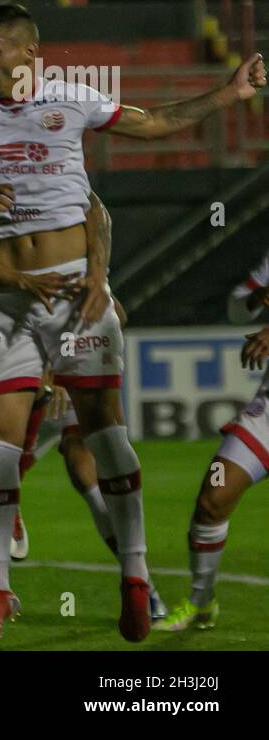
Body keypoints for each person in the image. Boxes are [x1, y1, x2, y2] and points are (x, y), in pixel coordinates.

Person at [0, 2, 265, 647]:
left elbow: (158, 120)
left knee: (104, 437)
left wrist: (230, 91)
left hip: (75, 295)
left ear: (29, 53)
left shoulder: (74, 98)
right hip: (4, 302)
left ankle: (135, 579)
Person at [157, 245, 269, 631]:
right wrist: (255, 299)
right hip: (265, 417)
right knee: (213, 497)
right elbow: (236, 308)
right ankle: (201, 602)